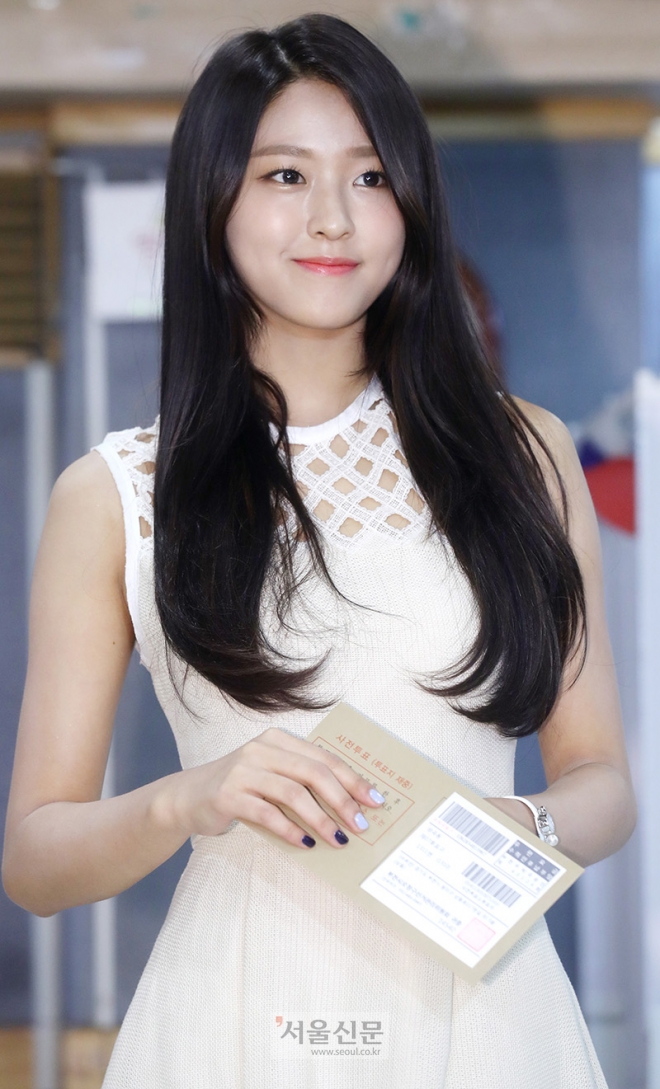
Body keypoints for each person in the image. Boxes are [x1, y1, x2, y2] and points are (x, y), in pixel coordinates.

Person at [2, 14, 636, 1088]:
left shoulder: (525, 455)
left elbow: (603, 782)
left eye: (371, 176)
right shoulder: (115, 494)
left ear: (411, 204)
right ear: (213, 202)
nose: (333, 217)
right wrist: (188, 798)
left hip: (488, 1021)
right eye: (285, 175)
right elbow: (34, 859)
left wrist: (515, 822)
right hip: (233, 1019)